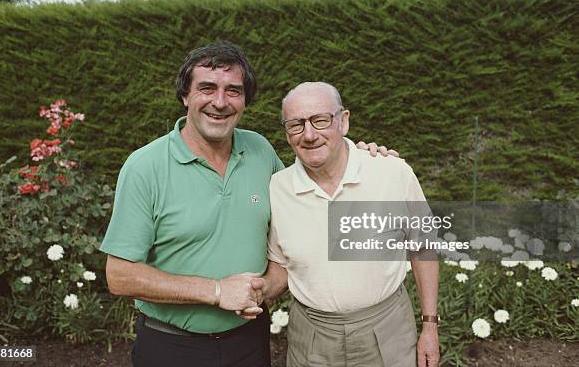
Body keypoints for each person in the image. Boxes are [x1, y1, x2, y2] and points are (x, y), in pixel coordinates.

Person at [99, 43, 395, 367]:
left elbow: (303, 217)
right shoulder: (145, 167)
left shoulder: (260, 150)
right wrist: (215, 291)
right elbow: (120, 275)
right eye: (207, 88)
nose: (220, 102)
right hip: (172, 348)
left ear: (245, 101)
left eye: (233, 91)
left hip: (250, 342)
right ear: (185, 96)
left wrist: (361, 159)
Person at [255, 82, 440, 367]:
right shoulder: (278, 188)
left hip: (387, 331)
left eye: (320, 120)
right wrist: (259, 289)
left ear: (343, 121)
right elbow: (280, 264)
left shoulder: (392, 172)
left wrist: (430, 326)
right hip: (312, 338)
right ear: (287, 133)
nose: (309, 134)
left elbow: (424, 249)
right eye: (296, 124)